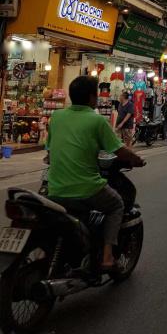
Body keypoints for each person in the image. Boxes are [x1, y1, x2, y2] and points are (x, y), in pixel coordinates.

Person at [47, 76, 144, 270]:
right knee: (116, 204)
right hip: (86, 188)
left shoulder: (56, 117)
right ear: (92, 97)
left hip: (54, 188)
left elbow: (49, 151)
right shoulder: (97, 120)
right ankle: (107, 256)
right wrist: (136, 159)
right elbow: (119, 150)